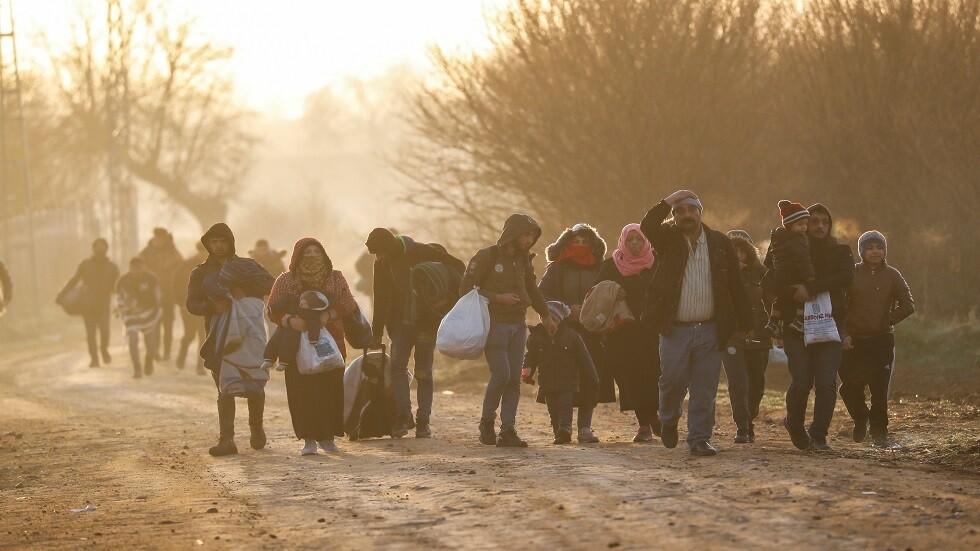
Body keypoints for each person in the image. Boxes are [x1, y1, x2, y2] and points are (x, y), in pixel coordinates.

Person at [640, 190, 752, 456]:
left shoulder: (720, 243)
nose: (686, 215)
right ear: (674, 217)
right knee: (672, 381)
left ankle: (699, 438)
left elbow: (736, 284)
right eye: (680, 211)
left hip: (711, 328)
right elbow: (647, 225)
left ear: (700, 213)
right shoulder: (667, 240)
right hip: (674, 328)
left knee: (705, 388)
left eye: (691, 210)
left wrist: (746, 321)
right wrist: (670, 199)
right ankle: (668, 420)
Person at [459, 214, 557, 448]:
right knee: (501, 374)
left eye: (532, 235)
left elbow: (532, 288)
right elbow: (465, 290)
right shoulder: (487, 256)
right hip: (493, 323)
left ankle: (508, 430)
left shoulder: (524, 260)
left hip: (518, 324)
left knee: (514, 379)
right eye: (526, 234)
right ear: (513, 234)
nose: (530, 239)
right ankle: (486, 422)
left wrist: (545, 315)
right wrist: (497, 298)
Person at [763, 203, 854, 451]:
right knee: (802, 381)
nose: (820, 226)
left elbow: (846, 277)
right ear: (803, 223)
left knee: (826, 382)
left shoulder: (840, 251)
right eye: (814, 221)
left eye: (825, 221)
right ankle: (794, 422)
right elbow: (768, 281)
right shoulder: (785, 246)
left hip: (830, 326)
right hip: (796, 327)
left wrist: (811, 288)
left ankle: (819, 434)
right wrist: (792, 293)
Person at [365, 228, 465, 439]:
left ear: (390, 247)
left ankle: (423, 421)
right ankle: (403, 417)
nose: (378, 257)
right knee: (397, 367)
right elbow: (380, 298)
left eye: (380, 252)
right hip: (399, 325)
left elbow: (457, 266)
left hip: (426, 324)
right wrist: (377, 333)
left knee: (423, 371)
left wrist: (445, 299)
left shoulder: (421, 251)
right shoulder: (381, 263)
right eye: (375, 254)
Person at [186, 223, 274, 457]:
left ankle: (256, 428)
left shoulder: (247, 266)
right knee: (224, 388)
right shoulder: (201, 273)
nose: (218, 246)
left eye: (222, 241)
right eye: (214, 242)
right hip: (219, 337)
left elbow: (270, 284)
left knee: (254, 380)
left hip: (250, 334)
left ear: (230, 242)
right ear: (208, 244)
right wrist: (211, 306)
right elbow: (191, 304)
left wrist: (244, 287)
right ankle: (227, 440)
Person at [267, 237, 358, 456]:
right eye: (306, 252)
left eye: (316, 251)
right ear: (297, 256)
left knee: (330, 390)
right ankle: (308, 439)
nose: (311, 256)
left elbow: (348, 302)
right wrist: (290, 321)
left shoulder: (335, 278)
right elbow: (272, 310)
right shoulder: (285, 280)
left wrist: (330, 314)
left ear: (324, 254)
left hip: (330, 343)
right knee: (301, 392)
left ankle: (327, 437)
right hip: (294, 346)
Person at [840, 231, 914, 450]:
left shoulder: (893, 275)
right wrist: (843, 333)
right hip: (852, 342)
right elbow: (838, 306)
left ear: (884, 252)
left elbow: (908, 304)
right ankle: (861, 417)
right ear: (862, 251)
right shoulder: (850, 273)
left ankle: (880, 434)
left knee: (879, 392)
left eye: (879, 248)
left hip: (881, 341)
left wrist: (887, 320)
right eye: (870, 247)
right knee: (849, 388)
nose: (875, 251)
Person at [538, 223, 607, 442]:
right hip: (561, 331)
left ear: (593, 244)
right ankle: (561, 426)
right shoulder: (557, 268)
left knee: (589, 376)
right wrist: (568, 310)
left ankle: (585, 428)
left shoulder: (601, 267)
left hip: (593, 331)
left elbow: (608, 293)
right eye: (575, 241)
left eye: (584, 241)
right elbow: (542, 295)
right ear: (566, 243)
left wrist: (590, 311)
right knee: (561, 378)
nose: (579, 245)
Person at [595, 223, 662, 443]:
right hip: (621, 332)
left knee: (653, 373)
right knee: (627, 376)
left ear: (646, 241)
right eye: (630, 239)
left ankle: (650, 416)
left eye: (639, 239)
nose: (634, 244)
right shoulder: (611, 266)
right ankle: (645, 421)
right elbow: (597, 294)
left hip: (652, 329)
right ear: (622, 241)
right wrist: (613, 291)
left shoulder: (656, 263)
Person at [522, 301, 599, 444]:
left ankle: (565, 429)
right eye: (546, 320)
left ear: (560, 320)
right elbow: (531, 356)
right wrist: (527, 370)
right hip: (547, 381)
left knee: (565, 404)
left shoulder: (571, 336)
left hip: (568, 381)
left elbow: (584, 357)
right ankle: (558, 430)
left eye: (554, 319)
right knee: (553, 408)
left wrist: (592, 376)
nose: (549, 323)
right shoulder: (536, 336)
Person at [723, 230, 772, 443]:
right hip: (732, 335)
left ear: (749, 251)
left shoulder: (763, 274)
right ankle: (741, 425)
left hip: (760, 333)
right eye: (732, 251)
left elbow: (773, 302)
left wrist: (776, 327)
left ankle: (750, 416)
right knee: (738, 381)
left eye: (741, 250)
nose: (737, 255)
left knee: (757, 381)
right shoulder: (720, 274)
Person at [59, 238, 120, 368]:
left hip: (104, 303)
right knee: (91, 333)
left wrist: (121, 301)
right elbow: (74, 280)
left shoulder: (112, 267)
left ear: (106, 248)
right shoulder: (85, 265)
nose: (99, 249)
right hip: (87, 304)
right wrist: (62, 295)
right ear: (93, 249)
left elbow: (119, 286)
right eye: (97, 246)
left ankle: (104, 350)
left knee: (104, 330)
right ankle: (94, 359)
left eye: (102, 246)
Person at [763, 201, 815, 337]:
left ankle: (773, 322)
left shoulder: (777, 237)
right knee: (800, 295)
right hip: (794, 273)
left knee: (780, 298)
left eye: (805, 224)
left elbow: (767, 261)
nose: (804, 228)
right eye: (800, 224)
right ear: (789, 225)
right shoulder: (799, 239)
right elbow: (804, 260)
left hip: (779, 275)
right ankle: (799, 321)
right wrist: (810, 278)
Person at [139, 228, 183, 361]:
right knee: (154, 323)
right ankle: (155, 350)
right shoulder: (145, 253)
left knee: (168, 323)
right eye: (156, 237)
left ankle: (167, 351)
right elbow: (137, 270)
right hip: (151, 294)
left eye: (160, 237)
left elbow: (182, 272)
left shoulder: (174, 253)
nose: (157, 240)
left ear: (166, 238)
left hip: (169, 293)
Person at [116, 257, 162, 378]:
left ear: (144, 268)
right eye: (134, 269)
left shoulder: (152, 279)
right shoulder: (123, 281)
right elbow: (120, 298)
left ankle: (148, 360)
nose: (137, 271)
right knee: (133, 340)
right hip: (131, 315)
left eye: (140, 269)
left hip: (149, 313)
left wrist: (142, 306)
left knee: (151, 343)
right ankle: (137, 368)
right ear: (130, 268)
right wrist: (128, 308)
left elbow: (157, 298)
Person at [262, 290, 330, 372]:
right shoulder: (292, 299)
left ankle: (284, 362)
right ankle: (268, 358)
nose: (303, 304)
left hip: (294, 331)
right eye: (305, 301)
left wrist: (313, 338)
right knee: (274, 340)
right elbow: (282, 302)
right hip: (283, 325)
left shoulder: (311, 314)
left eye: (307, 305)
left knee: (288, 343)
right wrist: (272, 308)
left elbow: (314, 326)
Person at [174, 242, 208, 374]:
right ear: (198, 251)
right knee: (190, 334)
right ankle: (182, 354)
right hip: (189, 306)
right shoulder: (186, 265)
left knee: (204, 337)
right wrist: (181, 303)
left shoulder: (215, 266)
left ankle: (200, 366)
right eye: (203, 251)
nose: (205, 254)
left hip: (207, 307)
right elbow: (175, 284)